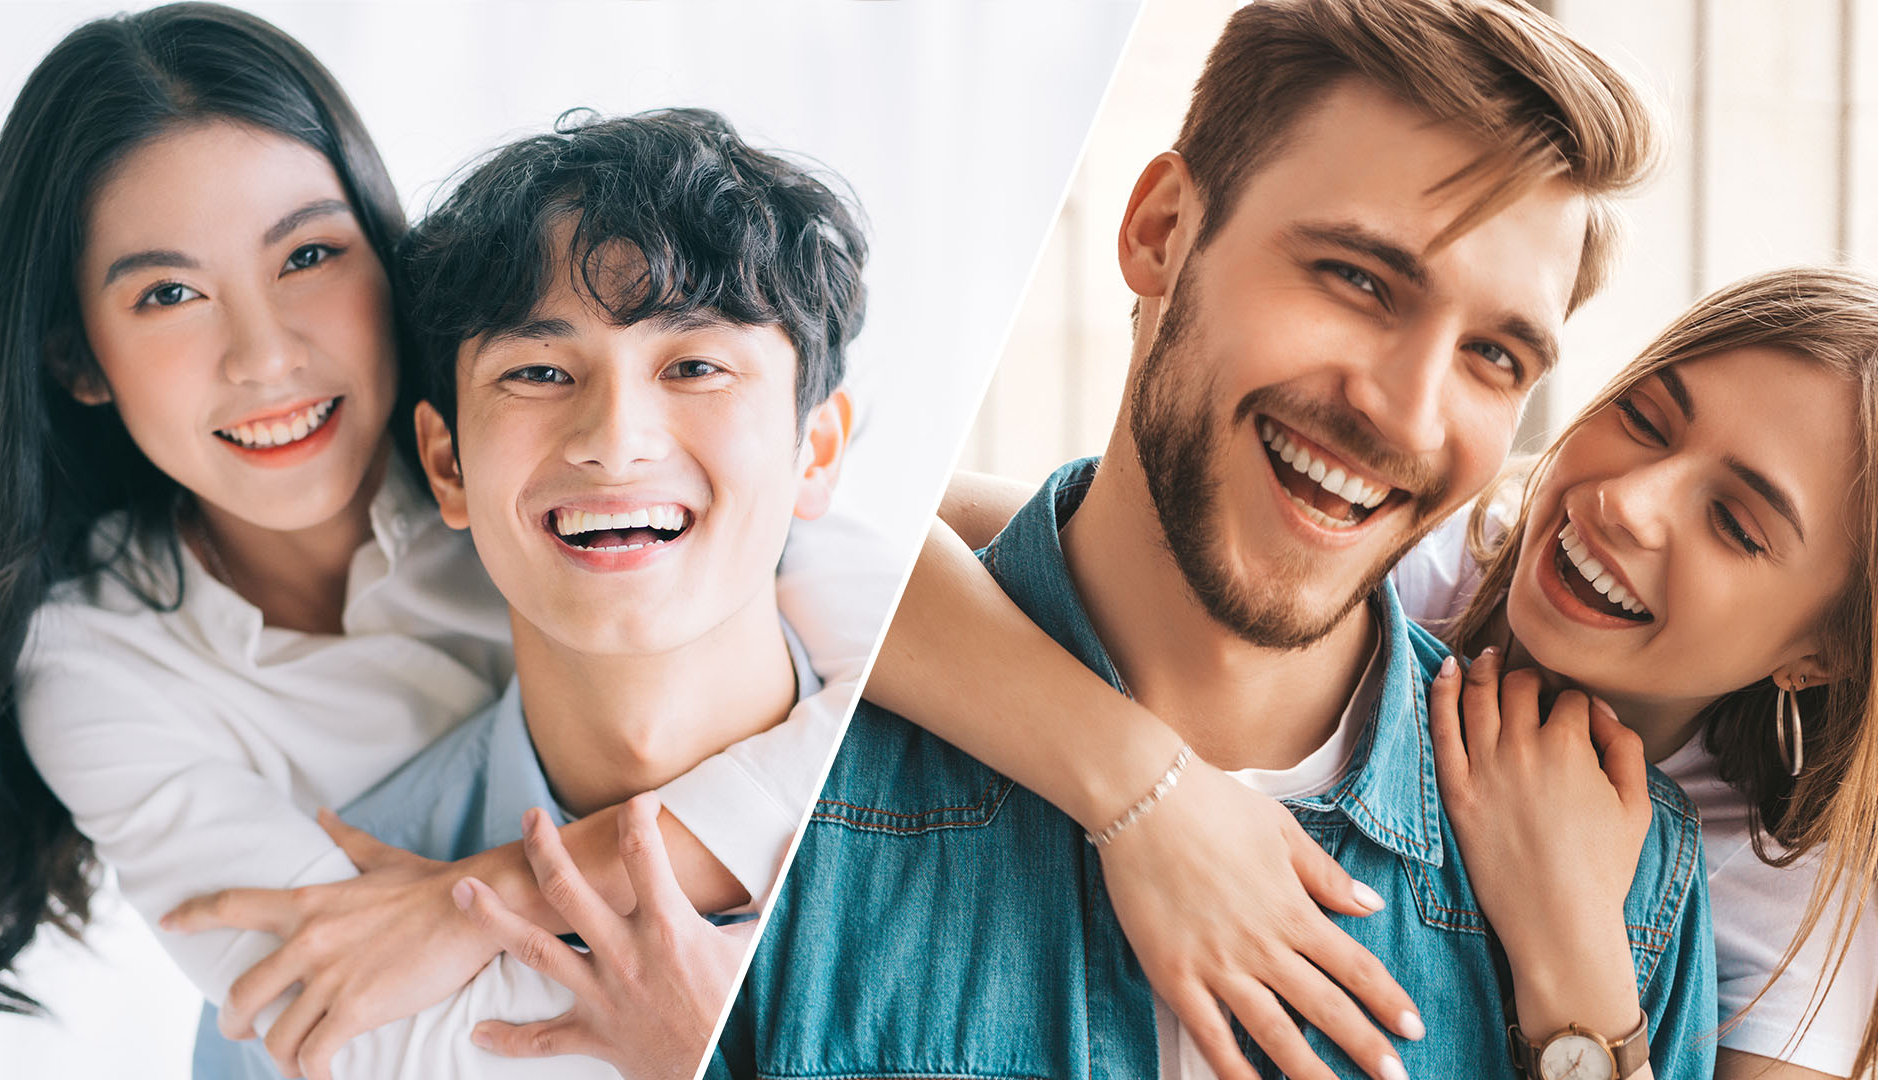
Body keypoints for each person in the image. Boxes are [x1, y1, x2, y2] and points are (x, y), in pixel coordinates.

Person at [712, 1, 1709, 1078]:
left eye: (1496, 357)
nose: (1410, 417)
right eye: (1359, 279)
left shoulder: (1622, 892)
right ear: (1160, 233)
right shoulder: (783, 762)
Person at [0, 6, 882, 1077]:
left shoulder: (646, 487)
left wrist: (480, 898)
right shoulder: (97, 659)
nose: (265, 359)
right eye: (168, 293)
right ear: (80, 358)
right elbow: (337, 1010)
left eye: (307, 254)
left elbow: (895, 664)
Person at [885, 268, 1878, 1080]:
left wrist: (1575, 966)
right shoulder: (1397, 557)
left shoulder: (1793, 897)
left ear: (1820, 652)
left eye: (1737, 524)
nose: (1629, 502)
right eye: (1651, 421)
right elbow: (872, 535)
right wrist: (1149, 790)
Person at [191, 106, 863, 1080]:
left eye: (696, 365)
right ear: (446, 463)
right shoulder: (323, 951)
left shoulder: (979, 811)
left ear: (819, 451)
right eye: (540, 371)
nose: (614, 437)